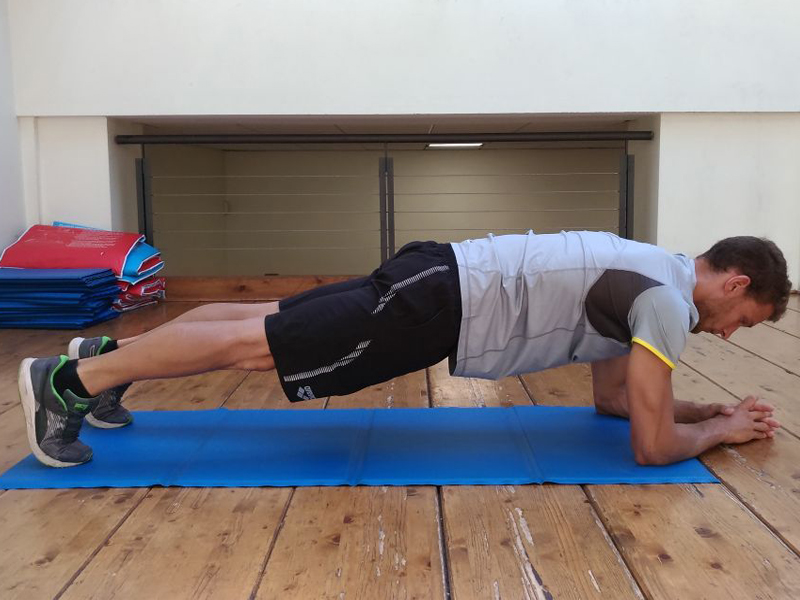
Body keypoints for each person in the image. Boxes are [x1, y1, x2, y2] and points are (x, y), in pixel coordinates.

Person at [18, 231, 791, 468]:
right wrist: (719, 432)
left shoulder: (650, 272)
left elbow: (617, 400)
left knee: (263, 317)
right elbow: (650, 446)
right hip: (440, 304)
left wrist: (706, 405)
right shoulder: (661, 301)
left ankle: (103, 355)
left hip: (438, 276)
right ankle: (71, 380)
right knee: (259, 347)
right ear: (735, 282)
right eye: (744, 320)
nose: (728, 335)